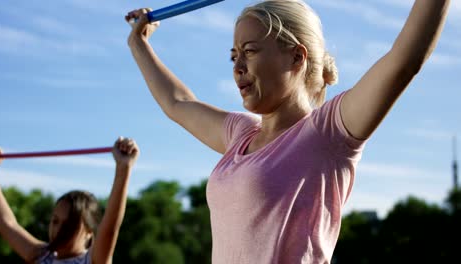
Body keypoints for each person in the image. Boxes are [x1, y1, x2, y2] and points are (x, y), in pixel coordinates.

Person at [125, 0, 450, 263]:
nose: (238, 67)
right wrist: (138, 43)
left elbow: (403, 60)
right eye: (234, 55)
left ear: (296, 56)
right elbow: (178, 102)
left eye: (250, 51)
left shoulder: (326, 133)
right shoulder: (241, 134)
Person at [0, 137, 139, 263]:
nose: (58, 229)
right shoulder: (42, 256)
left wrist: (123, 168)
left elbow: (110, 227)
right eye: (55, 221)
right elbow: (6, 223)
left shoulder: (92, 261)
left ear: (89, 232)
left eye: (70, 224)